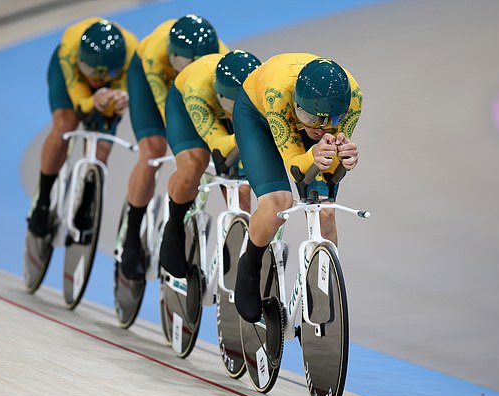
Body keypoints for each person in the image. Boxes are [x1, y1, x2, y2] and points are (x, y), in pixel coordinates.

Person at [232, 54, 363, 323]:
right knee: (277, 204)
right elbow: (294, 164)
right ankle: (250, 263)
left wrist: (344, 156)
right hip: (258, 116)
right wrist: (313, 153)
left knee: (325, 211)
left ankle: (321, 297)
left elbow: (331, 162)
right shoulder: (277, 95)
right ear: (296, 105)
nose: (319, 128)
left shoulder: (354, 98)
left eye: (330, 120)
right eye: (309, 117)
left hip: (301, 115)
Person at [120, 14, 229, 279]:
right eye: (185, 63)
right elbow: (169, 118)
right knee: (154, 149)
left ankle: (237, 231)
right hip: (151, 82)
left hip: (200, 89)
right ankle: (131, 237)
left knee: (228, 157)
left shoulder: (223, 61)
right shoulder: (156, 55)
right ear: (174, 57)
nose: (190, 67)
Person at [27, 18, 137, 237]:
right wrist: (93, 100)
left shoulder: (132, 54)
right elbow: (80, 101)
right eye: (92, 72)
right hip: (71, 77)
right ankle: (43, 200)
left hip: (113, 83)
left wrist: (120, 98)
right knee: (65, 125)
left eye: (104, 74)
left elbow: (123, 94)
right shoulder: (69, 46)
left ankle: (88, 196)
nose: (97, 80)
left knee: (102, 146)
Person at [159, 50, 262, 278]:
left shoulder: (259, 88)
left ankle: (237, 251)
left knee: (242, 187)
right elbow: (218, 144)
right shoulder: (198, 90)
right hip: (187, 108)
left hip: (232, 108)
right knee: (195, 163)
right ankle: (174, 225)